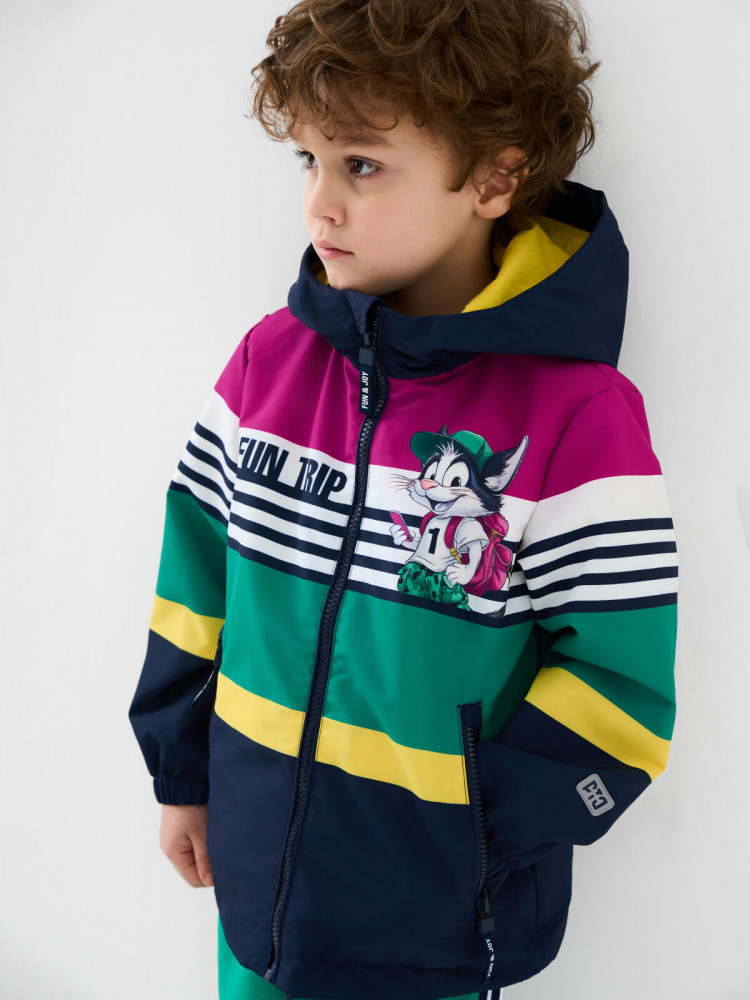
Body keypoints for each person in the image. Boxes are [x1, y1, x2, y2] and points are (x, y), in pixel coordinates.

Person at [128, 1, 678, 998]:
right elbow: (194, 580)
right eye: (310, 161)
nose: (319, 207)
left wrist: (475, 835)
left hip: (434, 931)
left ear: (494, 180)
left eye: (363, 165)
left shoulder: (577, 415)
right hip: (255, 897)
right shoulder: (268, 362)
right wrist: (185, 774)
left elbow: (621, 686)